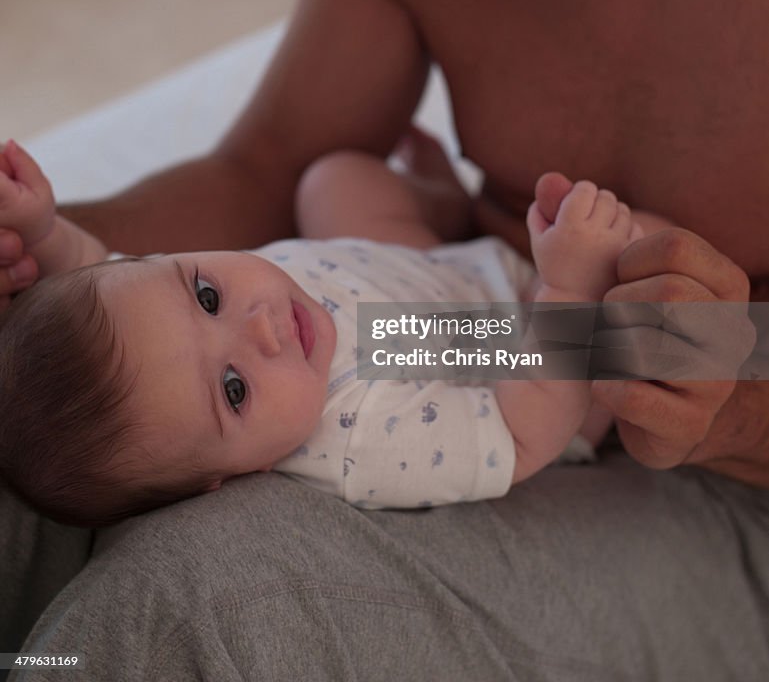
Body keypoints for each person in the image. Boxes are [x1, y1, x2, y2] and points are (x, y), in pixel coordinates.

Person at [2, 0, 769, 676]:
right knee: (50, 415)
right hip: (469, 345)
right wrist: (31, 263)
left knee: (199, 601)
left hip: (719, 485)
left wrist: (726, 414)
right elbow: (263, 167)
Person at [0, 136, 635, 526]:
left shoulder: (159, 325)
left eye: (207, 295)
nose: (263, 331)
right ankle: (566, 276)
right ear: (227, 480)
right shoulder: (362, 440)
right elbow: (521, 436)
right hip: (520, 362)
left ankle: (443, 205)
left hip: (418, 291)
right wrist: (570, 289)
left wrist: (47, 233)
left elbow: (100, 272)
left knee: (334, 177)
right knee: (647, 287)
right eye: (234, 390)